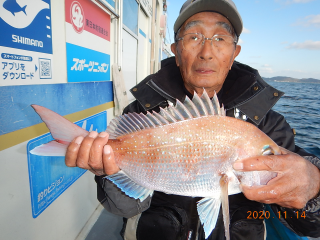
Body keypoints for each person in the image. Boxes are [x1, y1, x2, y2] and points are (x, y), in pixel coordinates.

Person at [65, 0, 320, 239]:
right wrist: (106, 170)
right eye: (194, 37)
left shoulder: (269, 124)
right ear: (176, 51)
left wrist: (313, 187)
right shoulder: (142, 112)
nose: (206, 52)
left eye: (220, 38)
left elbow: (310, 225)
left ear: (234, 53)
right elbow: (124, 208)